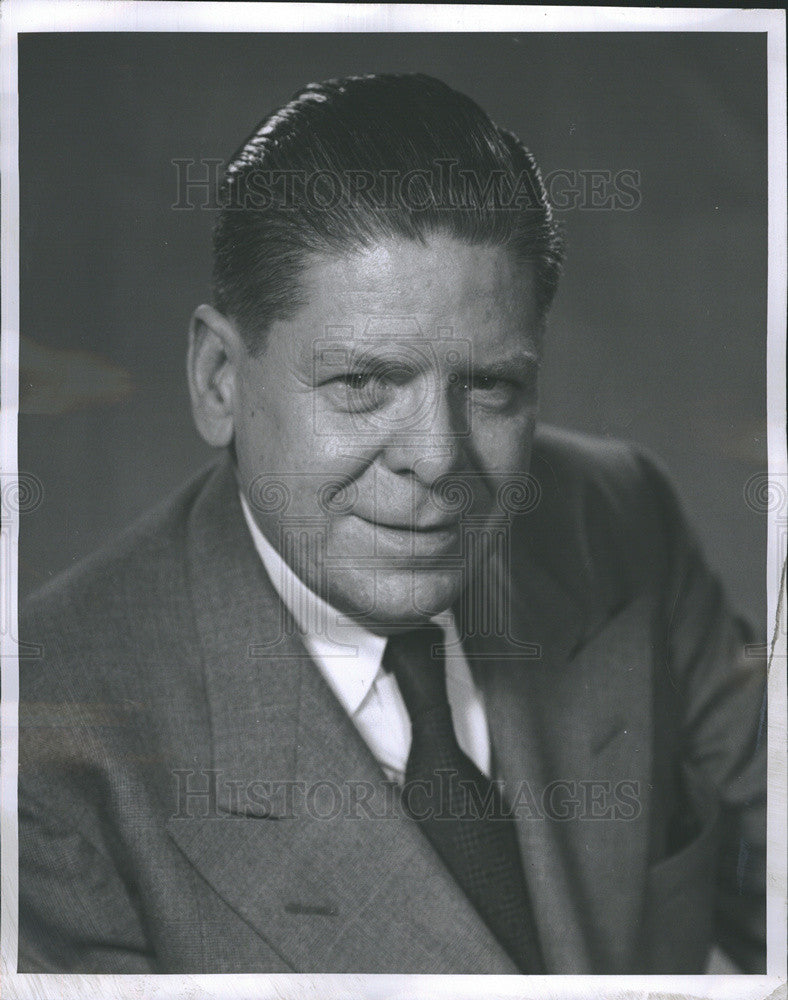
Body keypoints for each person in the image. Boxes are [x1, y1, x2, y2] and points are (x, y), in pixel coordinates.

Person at [18, 72, 766, 975]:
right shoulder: (44, 755)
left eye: (490, 385)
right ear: (220, 379)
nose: (439, 457)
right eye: (363, 384)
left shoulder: (617, 514)